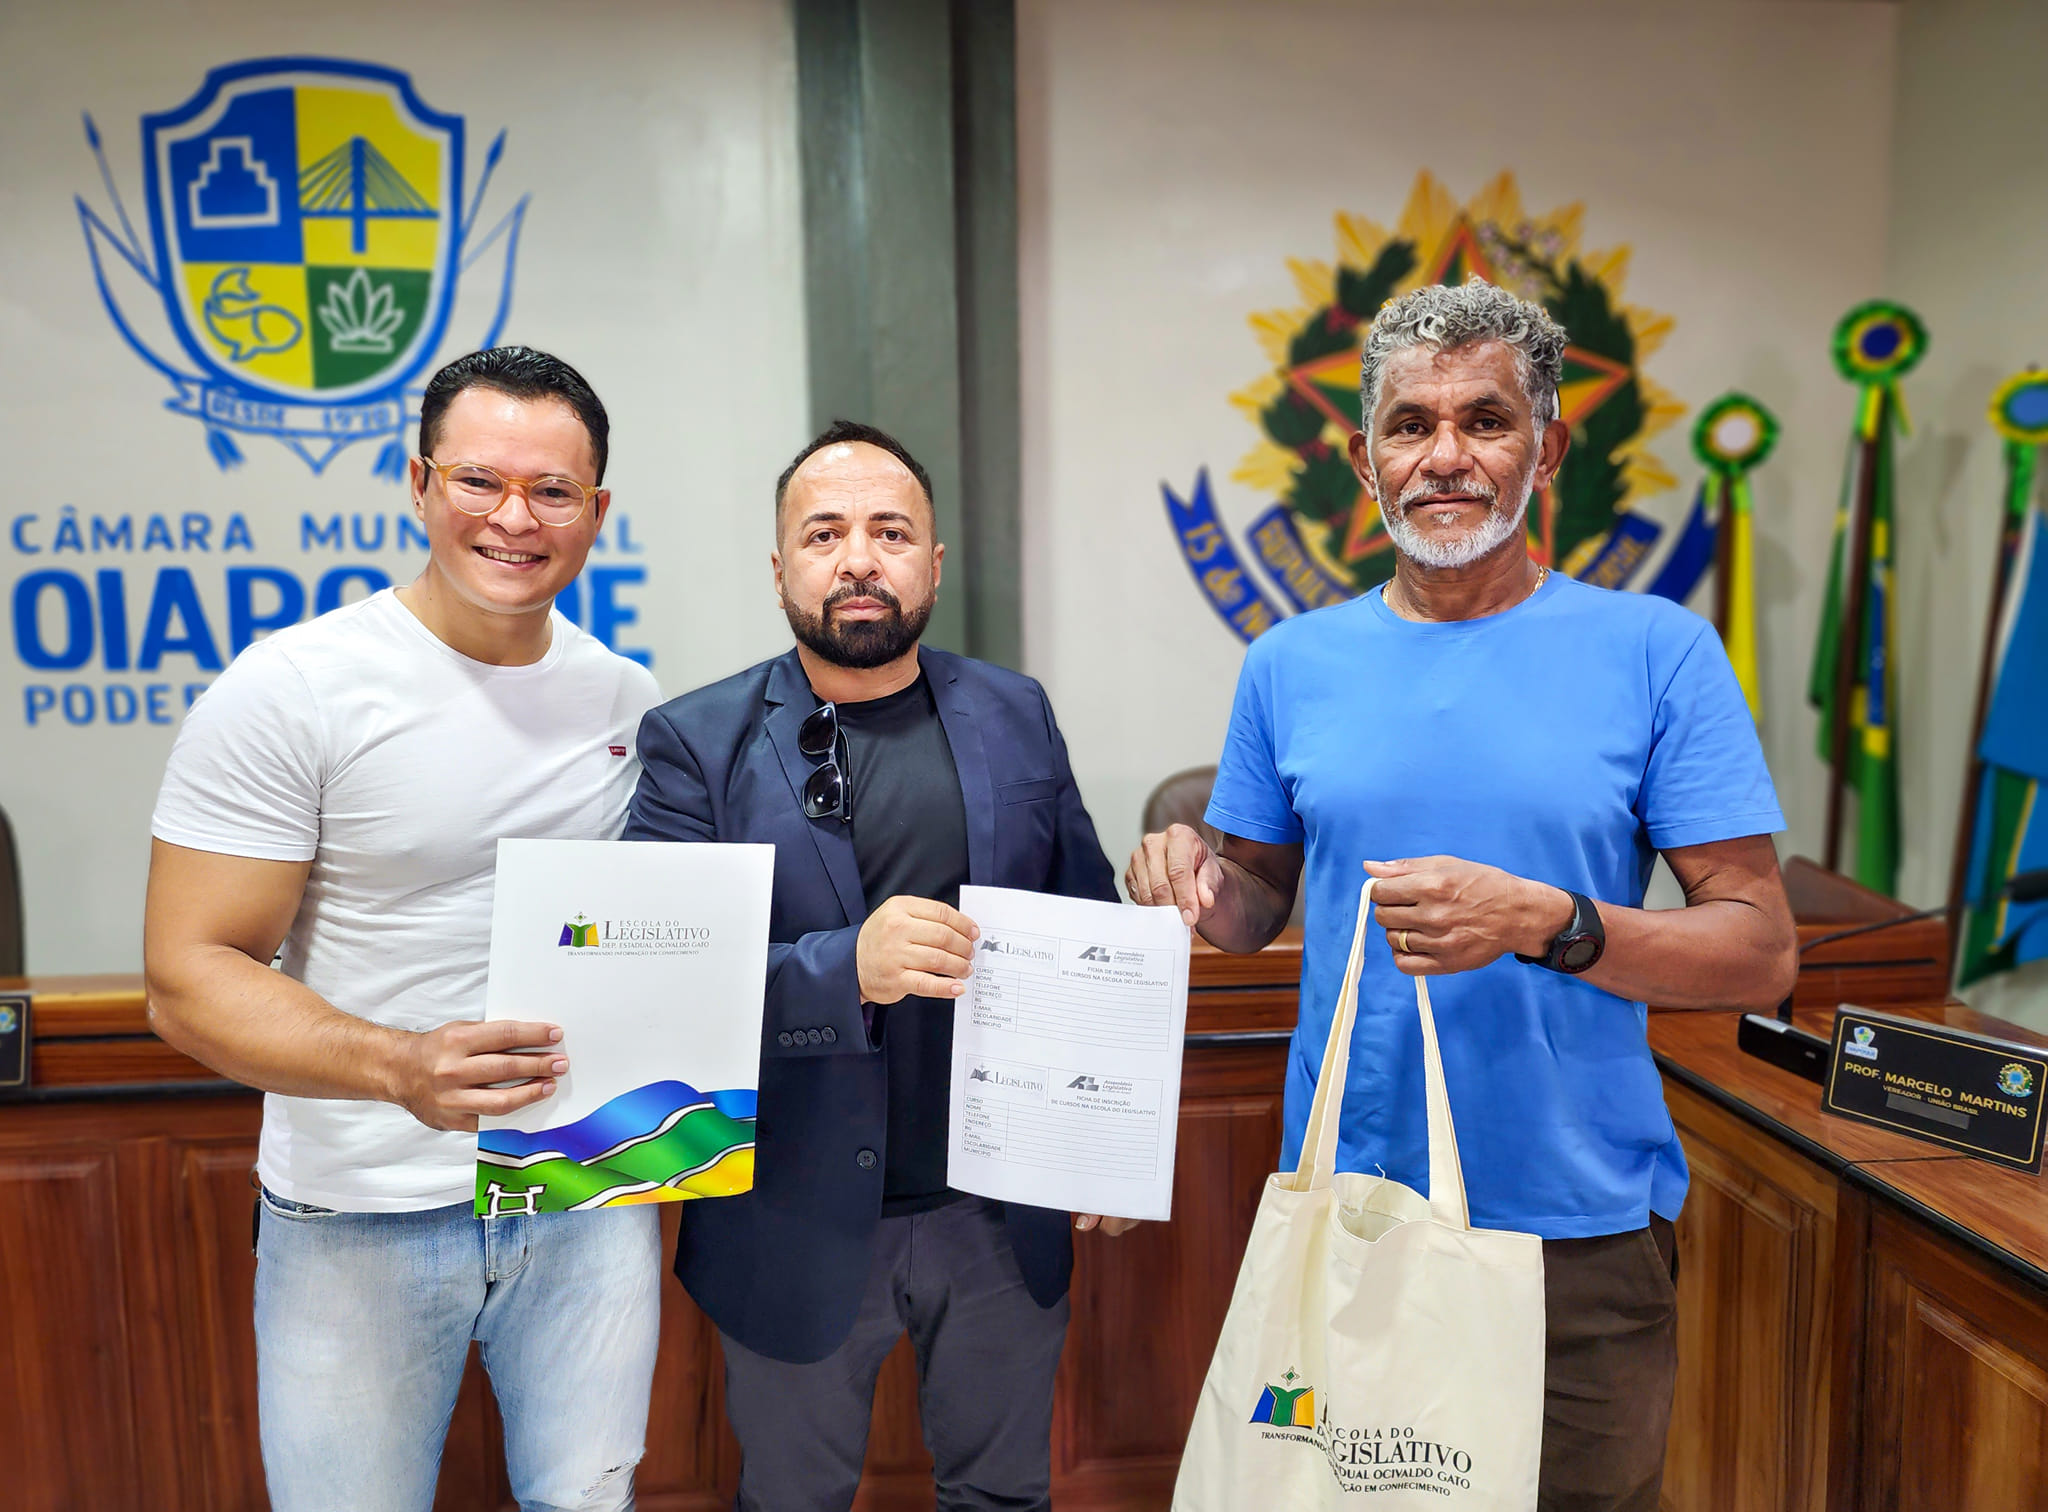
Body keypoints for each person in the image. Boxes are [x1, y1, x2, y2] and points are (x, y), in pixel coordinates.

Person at [1128, 278, 1798, 1512]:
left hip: (1575, 1234)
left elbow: (1758, 954)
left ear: (1544, 448)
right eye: (1408, 425)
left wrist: (1549, 923)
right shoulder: (1288, 664)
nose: (1444, 457)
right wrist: (1183, 873)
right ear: (1360, 457)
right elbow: (1249, 907)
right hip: (1352, 1216)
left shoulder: (1656, 653)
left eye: (1483, 421)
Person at [143, 347, 663, 1511]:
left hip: (583, 1195)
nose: (514, 519)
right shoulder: (294, 691)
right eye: (479, 481)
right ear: (419, 482)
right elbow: (185, 978)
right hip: (357, 1215)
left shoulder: (631, 702)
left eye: (553, 491)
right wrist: (398, 1066)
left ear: (597, 513)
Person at [626, 420, 1125, 1512]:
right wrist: (843, 965)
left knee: (1002, 1497)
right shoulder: (692, 743)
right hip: (786, 1217)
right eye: (825, 533)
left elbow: (1084, 920)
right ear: (778, 569)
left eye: (890, 531)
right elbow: (652, 991)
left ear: (933, 564)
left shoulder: (1013, 712)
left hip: (996, 1213)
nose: (859, 557)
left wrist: (1105, 1145)